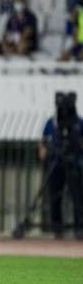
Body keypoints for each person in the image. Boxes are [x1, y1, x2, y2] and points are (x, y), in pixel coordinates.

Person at [39, 94, 83, 239]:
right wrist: (44, 152)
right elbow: (43, 141)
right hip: (56, 162)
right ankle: (57, 228)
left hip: (73, 163)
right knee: (54, 196)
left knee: (77, 197)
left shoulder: (78, 122)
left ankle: (79, 228)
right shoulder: (52, 122)